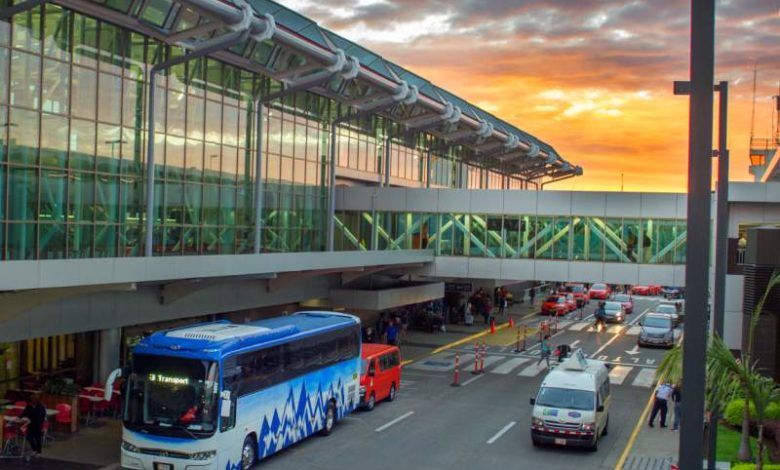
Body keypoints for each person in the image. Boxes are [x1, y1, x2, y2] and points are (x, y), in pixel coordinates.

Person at [20, 394, 47, 461]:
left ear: (34, 402)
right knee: (29, 437)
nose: (29, 404)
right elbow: (24, 413)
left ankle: (39, 452)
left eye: (31, 403)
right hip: (30, 424)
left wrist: (30, 420)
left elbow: (40, 418)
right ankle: (34, 449)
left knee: (37, 438)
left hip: (38, 424)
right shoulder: (29, 406)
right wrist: (19, 417)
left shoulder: (41, 407)